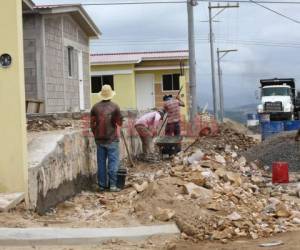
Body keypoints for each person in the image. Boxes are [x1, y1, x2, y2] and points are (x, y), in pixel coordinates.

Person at [90, 85, 123, 192]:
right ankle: (113, 185)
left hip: (99, 139)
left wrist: (96, 135)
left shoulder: (95, 107)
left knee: (101, 163)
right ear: (110, 95)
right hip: (112, 139)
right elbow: (119, 122)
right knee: (113, 162)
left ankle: (102, 185)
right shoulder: (115, 107)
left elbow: (92, 124)